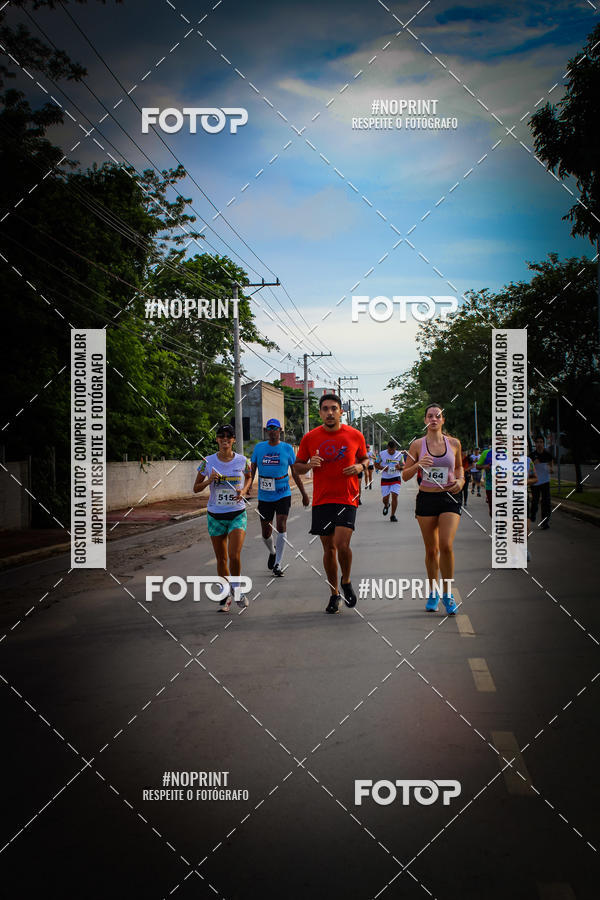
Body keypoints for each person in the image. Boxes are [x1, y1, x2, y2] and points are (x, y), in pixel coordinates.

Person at [294, 393, 368, 614]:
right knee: (329, 548)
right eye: (325, 409)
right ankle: (334, 593)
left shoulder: (355, 435)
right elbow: (297, 467)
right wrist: (308, 465)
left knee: (343, 545)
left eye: (333, 408)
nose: (329, 412)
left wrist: (360, 468)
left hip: (347, 497)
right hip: (322, 500)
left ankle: (346, 580)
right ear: (320, 413)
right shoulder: (310, 438)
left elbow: (365, 459)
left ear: (341, 412)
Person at [402, 403, 464, 615]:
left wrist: (462, 480)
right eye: (430, 416)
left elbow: (458, 467)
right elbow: (405, 475)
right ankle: (433, 592)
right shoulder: (417, 445)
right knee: (432, 550)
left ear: (442, 420)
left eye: (438, 416)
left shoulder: (454, 443)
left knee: (446, 545)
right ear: (425, 420)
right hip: (427, 498)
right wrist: (418, 465)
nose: (434, 419)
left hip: (450, 497)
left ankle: (447, 594)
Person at [193, 425, 252, 612]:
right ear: (217, 439)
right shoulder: (207, 462)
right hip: (215, 515)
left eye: (229, 436)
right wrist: (210, 480)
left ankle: (237, 590)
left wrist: (243, 490)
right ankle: (227, 594)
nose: (225, 439)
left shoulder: (243, 461)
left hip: (237, 513)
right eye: (221, 436)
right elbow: (195, 488)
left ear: (234, 440)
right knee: (221, 559)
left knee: (234, 555)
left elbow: (249, 477)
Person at [250, 418, 310, 577]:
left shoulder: (287, 448)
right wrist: (248, 486)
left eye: (275, 428)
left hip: (283, 492)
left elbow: (295, 472)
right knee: (265, 531)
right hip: (264, 495)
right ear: (266, 431)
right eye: (269, 428)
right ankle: (272, 551)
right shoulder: (259, 448)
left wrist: (304, 494)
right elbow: (253, 469)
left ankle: (278, 563)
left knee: (282, 525)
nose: (272, 431)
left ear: (280, 430)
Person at [375, 440, 404, 522]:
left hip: (396, 477)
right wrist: (385, 468)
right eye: (390, 450)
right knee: (385, 498)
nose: (391, 452)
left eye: (393, 450)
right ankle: (386, 505)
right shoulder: (381, 454)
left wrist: (400, 467)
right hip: (385, 478)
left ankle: (392, 515)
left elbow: (403, 466)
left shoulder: (399, 455)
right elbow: (376, 464)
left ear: (395, 448)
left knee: (395, 495)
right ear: (387, 448)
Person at [530, 436, 554, 529]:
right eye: (537, 442)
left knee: (546, 502)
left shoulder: (548, 454)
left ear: (543, 444)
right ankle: (533, 513)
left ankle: (545, 522)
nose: (539, 444)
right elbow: (527, 469)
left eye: (541, 442)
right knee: (535, 501)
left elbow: (551, 464)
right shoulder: (531, 455)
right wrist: (533, 464)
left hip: (545, 481)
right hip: (535, 481)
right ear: (535, 444)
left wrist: (551, 469)